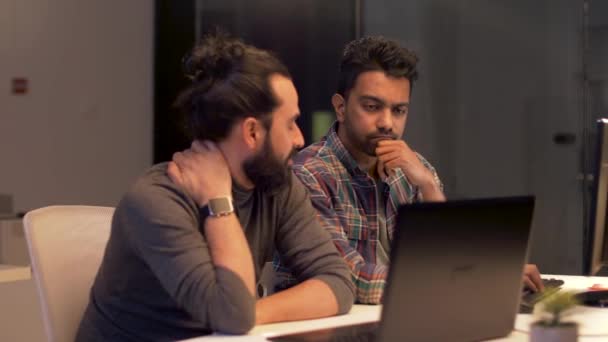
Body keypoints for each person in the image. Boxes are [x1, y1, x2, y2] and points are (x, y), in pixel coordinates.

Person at [76, 33, 355, 341]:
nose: (300, 138)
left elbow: (338, 282)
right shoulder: (155, 200)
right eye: (290, 123)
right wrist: (218, 201)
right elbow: (234, 316)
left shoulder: (277, 184)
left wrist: (253, 311)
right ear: (251, 132)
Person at [275, 36, 543, 304]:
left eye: (399, 110)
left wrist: (428, 185)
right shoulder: (309, 174)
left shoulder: (415, 170)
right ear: (341, 108)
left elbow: (448, 259)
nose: (387, 123)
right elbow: (349, 278)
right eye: (372, 107)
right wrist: (480, 279)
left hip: (403, 319)